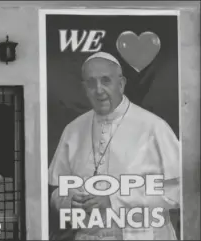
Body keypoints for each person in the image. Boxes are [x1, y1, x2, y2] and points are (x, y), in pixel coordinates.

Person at [48, 52, 180, 240]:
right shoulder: (73, 130)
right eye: (91, 83)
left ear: (121, 84)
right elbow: (55, 192)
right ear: (84, 88)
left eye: (105, 81)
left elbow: (176, 193)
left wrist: (114, 200)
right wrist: (68, 201)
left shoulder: (153, 127)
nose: (99, 90)